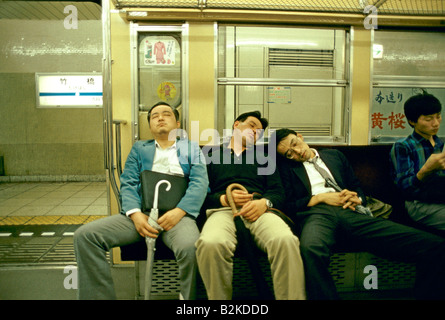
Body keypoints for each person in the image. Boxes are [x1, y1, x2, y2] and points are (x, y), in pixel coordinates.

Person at [272, 128, 445, 300]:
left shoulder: (334, 155)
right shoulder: (286, 169)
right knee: (310, 249)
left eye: (295, 144)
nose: (297, 152)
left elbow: (356, 186)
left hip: (351, 211)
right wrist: (320, 198)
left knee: (435, 246)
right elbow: (287, 204)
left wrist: (357, 198)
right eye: (289, 154)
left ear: (300, 137)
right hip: (317, 214)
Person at [74, 102, 208, 300]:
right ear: (150, 125)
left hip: (177, 216)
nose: (160, 118)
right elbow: (128, 182)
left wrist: (179, 211)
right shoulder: (139, 149)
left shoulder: (190, 147)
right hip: (142, 214)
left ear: (177, 123)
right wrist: (135, 214)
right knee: (85, 236)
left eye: (166, 114)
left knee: (191, 246)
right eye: (154, 116)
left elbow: (200, 182)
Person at [195, 111, 306, 300]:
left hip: (260, 210)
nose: (256, 132)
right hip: (223, 211)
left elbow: (278, 192)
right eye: (252, 126)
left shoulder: (265, 158)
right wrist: (222, 199)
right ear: (236, 125)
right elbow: (199, 194)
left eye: (259, 132)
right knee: (210, 243)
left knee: (286, 241)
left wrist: (264, 203)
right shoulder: (210, 156)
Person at [390, 92, 445, 232]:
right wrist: (427, 169)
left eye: (438, 116)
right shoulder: (403, 146)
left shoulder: (441, 144)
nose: (436, 123)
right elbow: (404, 187)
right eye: (428, 119)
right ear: (412, 121)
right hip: (418, 204)